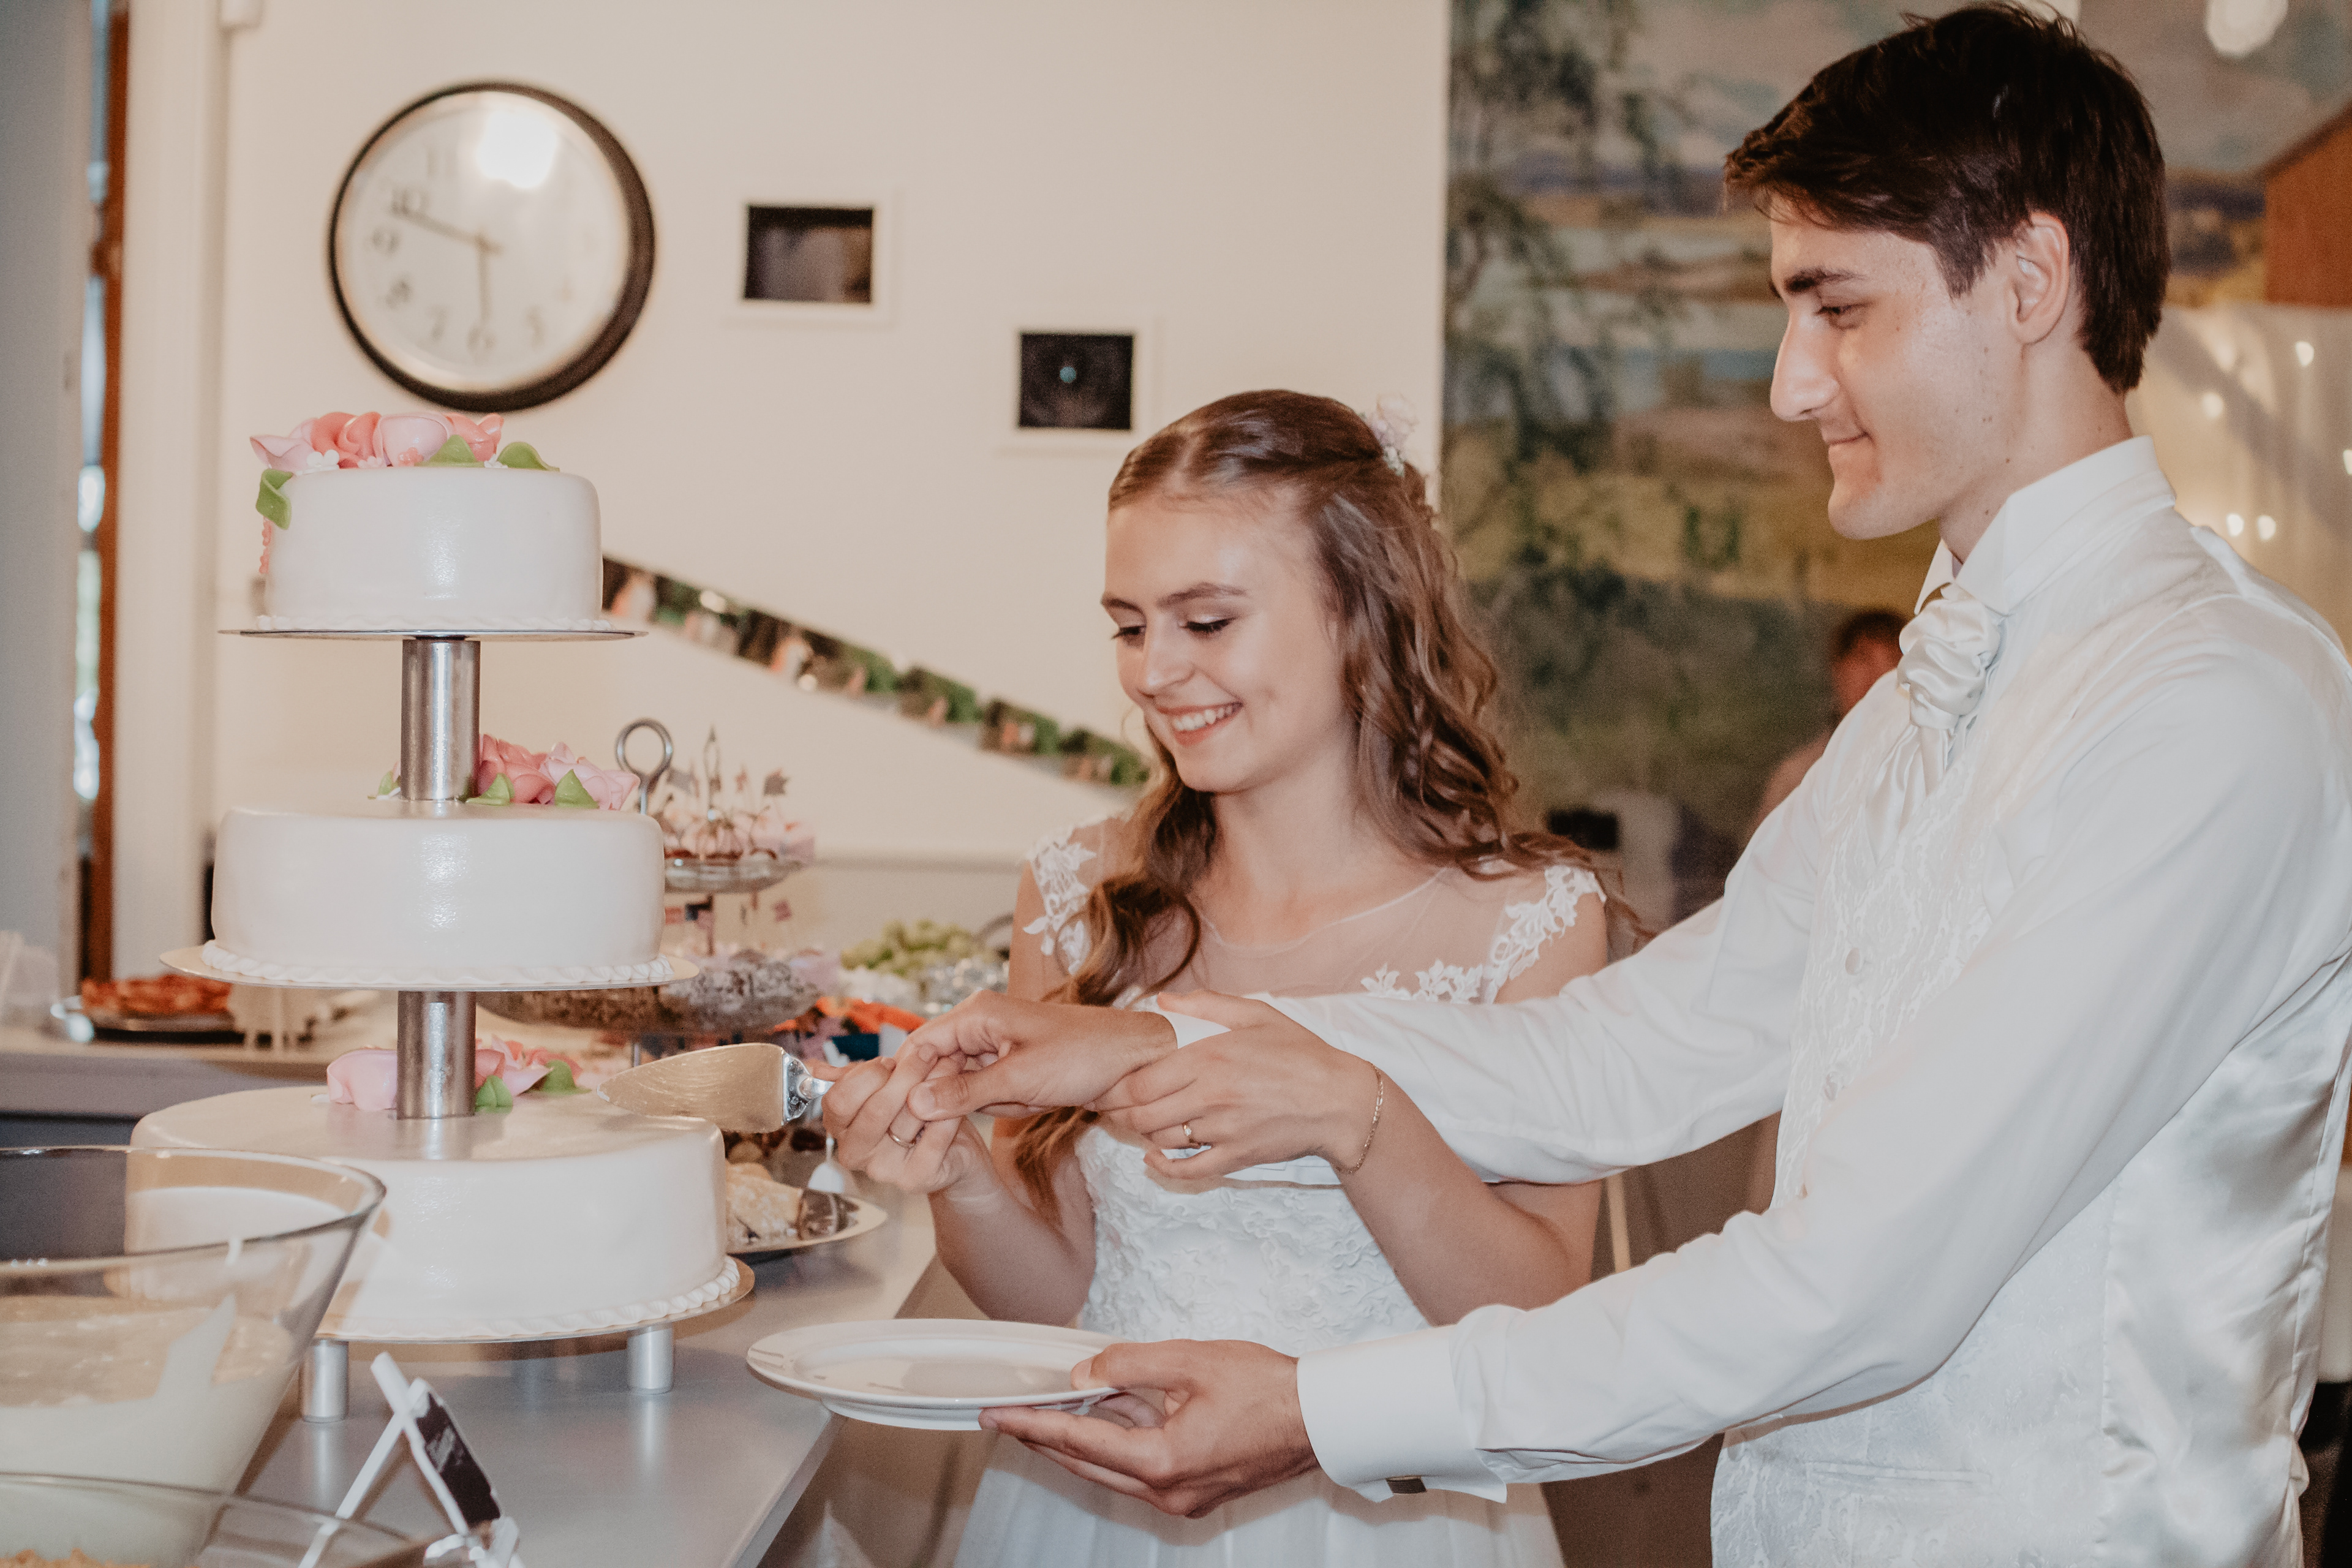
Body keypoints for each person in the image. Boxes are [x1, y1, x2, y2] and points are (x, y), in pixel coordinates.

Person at [882, 9, 2352, 1564]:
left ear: (2032, 279)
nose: (1790, 385)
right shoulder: (1918, 707)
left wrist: (1327, 1406)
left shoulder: (2209, 711)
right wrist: (1140, 1041)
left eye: (1837, 306)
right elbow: (1626, 1056)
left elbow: (1853, 1285)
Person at [820, 389, 1610, 1565]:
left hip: (1392, 1525)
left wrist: (1360, 1124)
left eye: (1206, 620)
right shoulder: (1079, 894)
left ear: (1363, 610)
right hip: (1096, 1518)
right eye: (1129, 626)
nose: (1155, 671)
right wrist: (959, 1176)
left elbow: (1541, 1324)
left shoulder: (1530, 922)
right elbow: (1059, 1301)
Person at [1747, 607, 1905, 836]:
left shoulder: (1924, 763)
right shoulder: (1798, 776)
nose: (1879, 675)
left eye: (1893, 660)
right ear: (1837, 669)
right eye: (1864, 658)